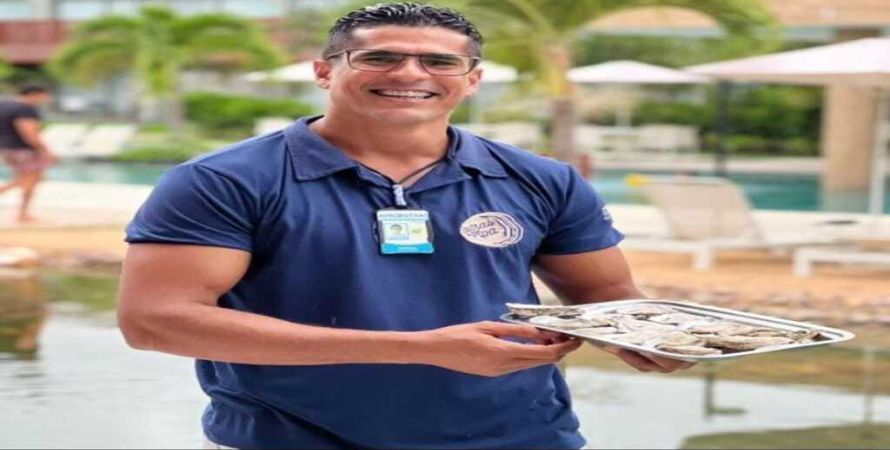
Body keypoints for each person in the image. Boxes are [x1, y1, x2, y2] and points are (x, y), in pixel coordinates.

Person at [117, 3, 692, 449]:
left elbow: (605, 295)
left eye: (439, 61)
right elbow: (155, 321)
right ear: (324, 71)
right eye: (379, 57)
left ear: (472, 79)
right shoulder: (224, 180)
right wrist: (420, 349)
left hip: (520, 437)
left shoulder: (542, 179)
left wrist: (653, 338)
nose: (410, 73)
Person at [0, 84, 56, 223]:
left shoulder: (3, 105)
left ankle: (23, 213)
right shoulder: (26, 109)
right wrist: (45, 150)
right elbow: (29, 133)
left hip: (7, 148)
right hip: (24, 149)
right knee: (31, 179)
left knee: (29, 178)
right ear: (35, 94)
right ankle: (23, 214)